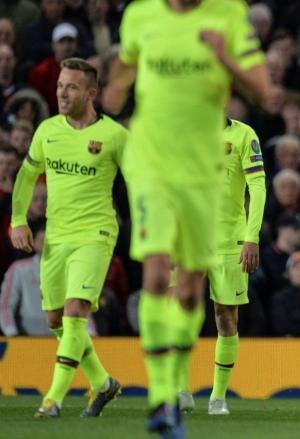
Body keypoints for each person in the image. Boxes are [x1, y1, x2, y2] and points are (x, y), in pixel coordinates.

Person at [102, 0, 270, 437]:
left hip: (220, 220)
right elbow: (120, 74)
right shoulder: (140, 14)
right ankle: (166, 395)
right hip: (155, 167)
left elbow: (265, 91)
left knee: (210, 307)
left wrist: (224, 56)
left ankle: (215, 396)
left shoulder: (230, 15)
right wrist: (116, 88)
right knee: (157, 276)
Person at [10, 58, 126, 418]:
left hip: (96, 233)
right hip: (56, 235)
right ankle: (104, 384)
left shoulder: (115, 136)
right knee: (55, 320)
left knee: (76, 312)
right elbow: (27, 177)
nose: (62, 92)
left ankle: (53, 399)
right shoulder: (47, 131)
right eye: (61, 85)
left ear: (91, 93)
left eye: (72, 86)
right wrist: (17, 220)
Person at [206, 119, 266, 416]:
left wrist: (251, 237)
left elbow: (257, 186)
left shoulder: (244, 134)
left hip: (229, 239)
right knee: (176, 310)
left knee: (225, 316)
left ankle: (218, 396)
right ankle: (177, 390)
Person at [0, 225, 49, 336]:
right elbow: (5, 306)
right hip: (26, 338)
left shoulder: (67, 271)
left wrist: (91, 336)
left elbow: (78, 307)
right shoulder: (19, 269)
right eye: (43, 241)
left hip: (59, 341)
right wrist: (11, 333)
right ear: (34, 243)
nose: (47, 245)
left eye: (52, 241)